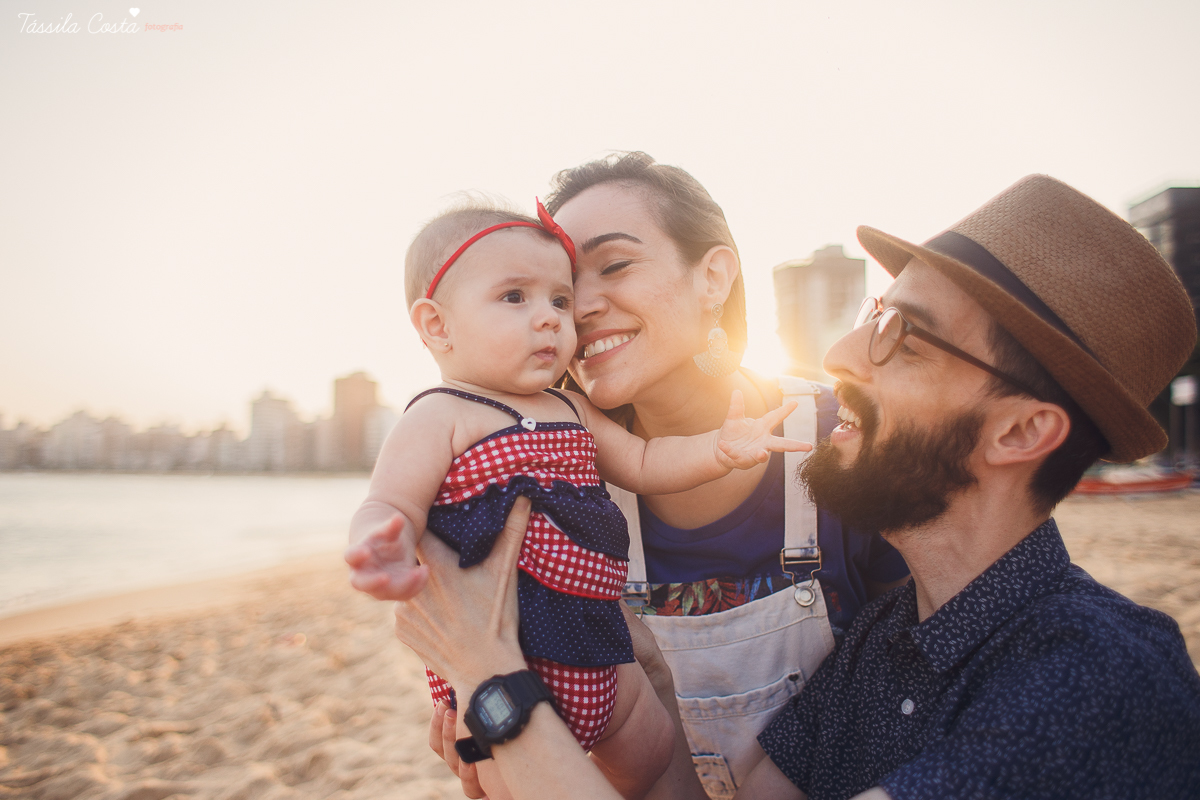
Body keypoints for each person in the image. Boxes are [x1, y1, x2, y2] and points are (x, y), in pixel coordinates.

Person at [396, 173, 1200, 800]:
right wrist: (644, 690)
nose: (845, 352)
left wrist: (494, 683)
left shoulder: (1097, 674)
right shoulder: (884, 647)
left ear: (1022, 432)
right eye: (874, 311)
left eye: (902, 337)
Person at [417, 152, 908, 798]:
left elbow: (921, 700)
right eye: (559, 288)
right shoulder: (555, 488)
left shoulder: (846, 437)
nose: (577, 308)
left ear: (714, 277)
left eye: (614, 265)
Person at [343, 198, 808, 800]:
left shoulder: (571, 409)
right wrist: (379, 543)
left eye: (559, 301)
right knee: (501, 780)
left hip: (596, 636)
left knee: (652, 750)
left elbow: (643, 461)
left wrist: (717, 450)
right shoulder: (440, 415)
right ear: (436, 325)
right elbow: (392, 502)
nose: (552, 319)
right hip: (508, 637)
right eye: (515, 297)